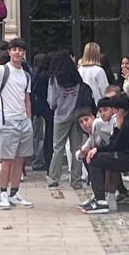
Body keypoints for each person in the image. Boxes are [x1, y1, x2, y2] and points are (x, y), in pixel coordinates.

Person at [78, 93, 129, 214]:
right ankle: (102, 196)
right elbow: (115, 144)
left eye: (114, 110)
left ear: (119, 110)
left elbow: (116, 145)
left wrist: (99, 147)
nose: (113, 113)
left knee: (95, 159)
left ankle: (100, 200)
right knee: (97, 157)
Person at [0, 38, 34, 209]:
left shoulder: (26, 75)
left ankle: (14, 192)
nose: (17, 53)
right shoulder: (1, 70)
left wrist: (29, 119)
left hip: (23, 120)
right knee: (7, 159)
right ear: (10, 52)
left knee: (20, 159)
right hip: (7, 119)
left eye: (20, 50)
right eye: (14, 49)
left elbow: (27, 99)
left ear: (24, 52)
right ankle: (3, 193)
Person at [47, 53, 87, 189]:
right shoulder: (76, 78)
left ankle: (53, 178)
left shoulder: (55, 79)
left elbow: (51, 101)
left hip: (60, 116)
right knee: (77, 148)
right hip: (76, 116)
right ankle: (76, 180)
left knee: (58, 147)